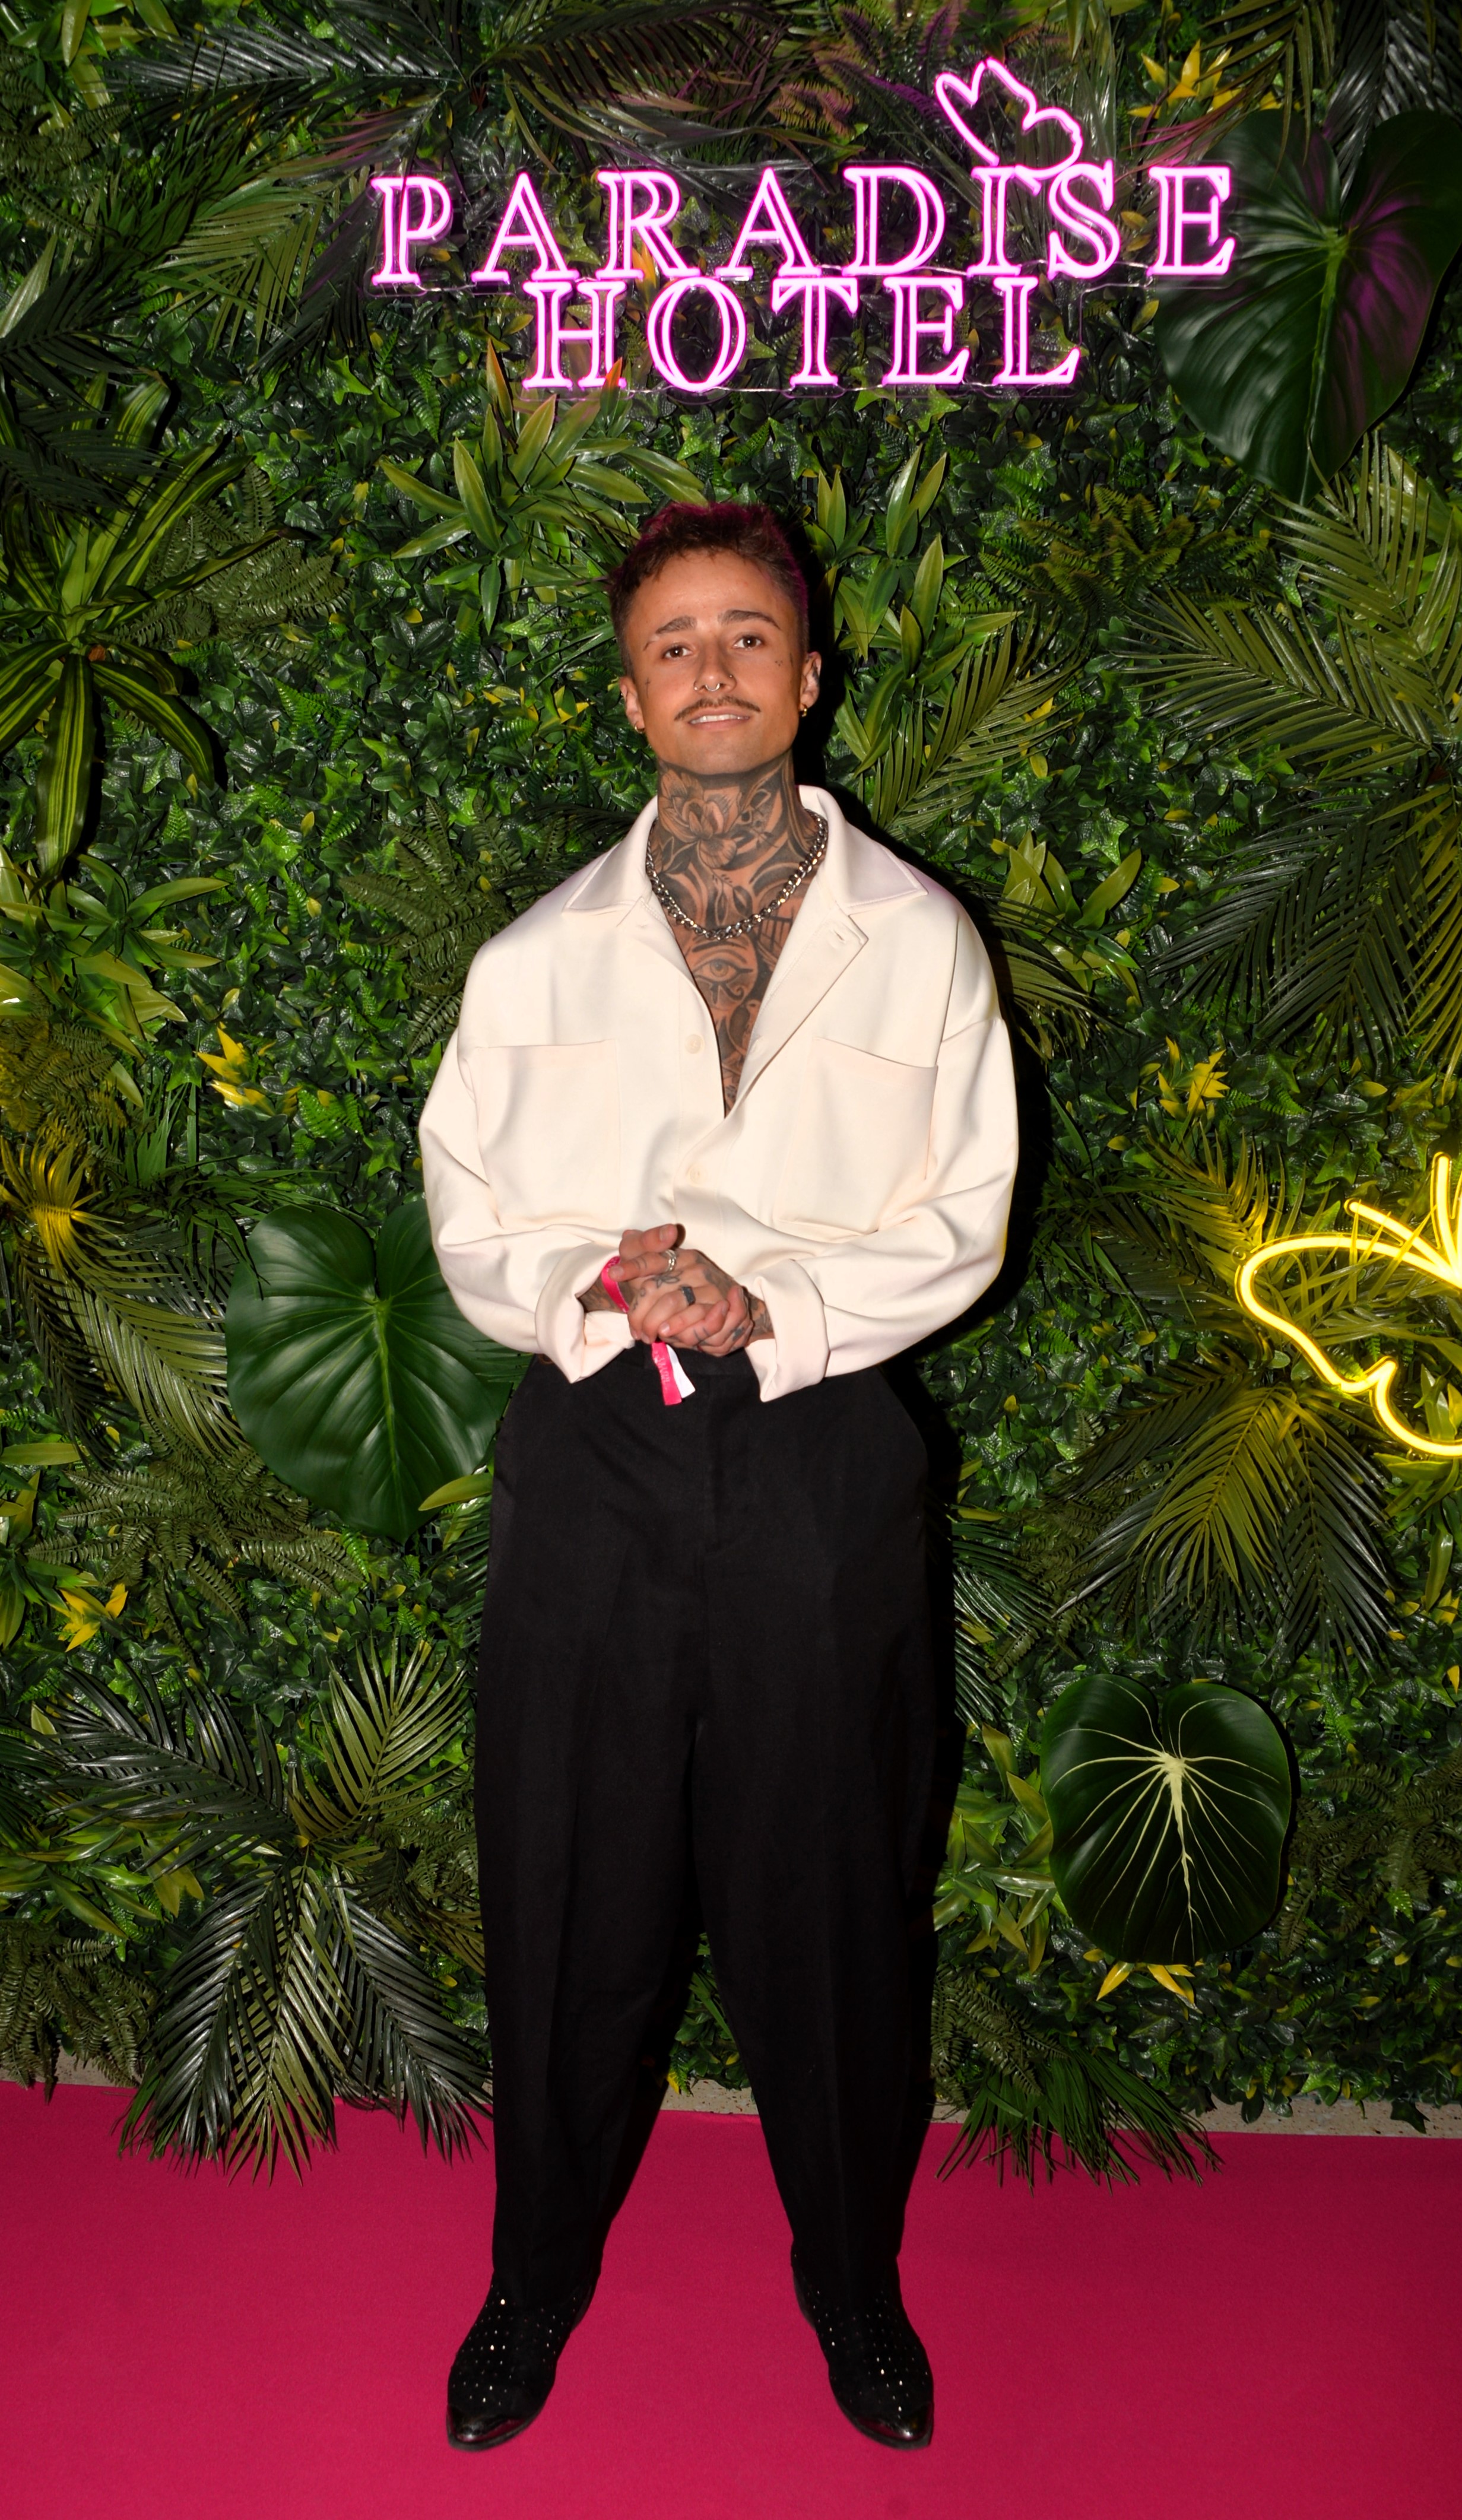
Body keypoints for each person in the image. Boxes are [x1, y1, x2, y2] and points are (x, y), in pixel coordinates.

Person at [420, 499, 1017, 2454]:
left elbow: (969, 1215)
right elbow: (470, 1211)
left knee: (832, 1896)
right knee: (567, 1890)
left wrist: (782, 1303)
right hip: (599, 1449)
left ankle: (853, 2286)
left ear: (809, 675)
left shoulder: (919, 945)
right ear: (628, 693)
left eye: (748, 635)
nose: (711, 670)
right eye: (673, 642)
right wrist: (596, 1283)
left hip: (825, 1455)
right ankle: (532, 2282)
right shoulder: (537, 960)